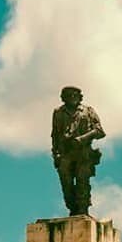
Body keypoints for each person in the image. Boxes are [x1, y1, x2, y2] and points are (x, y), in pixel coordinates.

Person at [51, 86, 105, 216]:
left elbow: (99, 131)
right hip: (65, 153)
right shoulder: (58, 112)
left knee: (82, 182)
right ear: (63, 97)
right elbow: (55, 134)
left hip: (83, 152)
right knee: (66, 184)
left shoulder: (87, 111)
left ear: (79, 96)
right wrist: (56, 153)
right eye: (68, 95)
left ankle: (82, 209)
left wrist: (82, 139)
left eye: (74, 94)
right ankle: (72, 208)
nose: (71, 97)